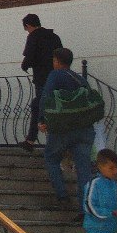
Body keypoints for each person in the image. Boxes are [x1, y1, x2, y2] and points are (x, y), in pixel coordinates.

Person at [38, 47, 95, 213]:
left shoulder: (56, 75)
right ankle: (85, 210)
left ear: (56, 61)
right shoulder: (80, 79)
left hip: (62, 129)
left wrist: (42, 119)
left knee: (51, 158)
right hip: (84, 129)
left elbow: (46, 97)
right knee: (84, 168)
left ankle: (62, 196)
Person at [19, 13, 63, 151]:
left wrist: (24, 66)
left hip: (42, 78)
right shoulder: (54, 37)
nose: (27, 31)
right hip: (57, 78)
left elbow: (29, 57)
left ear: (28, 26)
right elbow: (62, 54)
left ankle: (37, 141)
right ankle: (31, 140)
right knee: (43, 106)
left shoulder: (33, 37)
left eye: (26, 28)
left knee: (41, 107)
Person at [83, 148, 117, 233]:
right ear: (100, 166)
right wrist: (111, 213)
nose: (115, 171)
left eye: (116, 168)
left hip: (110, 231)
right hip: (96, 232)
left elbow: (114, 205)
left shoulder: (114, 185)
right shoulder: (94, 183)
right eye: (111, 168)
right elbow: (89, 206)